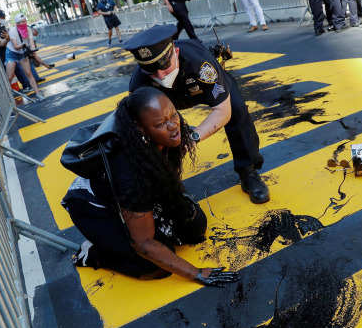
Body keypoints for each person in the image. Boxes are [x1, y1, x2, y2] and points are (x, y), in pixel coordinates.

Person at [63, 87, 239, 286]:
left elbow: (165, 177)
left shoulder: (166, 136)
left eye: (173, 115)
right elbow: (144, 244)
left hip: (128, 195)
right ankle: (94, 253)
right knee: (154, 267)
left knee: (195, 228)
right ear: (140, 128)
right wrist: (195, 273)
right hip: (95, 208)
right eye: (161, 123)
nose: (173, 126)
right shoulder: (131, 174)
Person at [125, 25, 270, 204]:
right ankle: (166, 181)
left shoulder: (202, 63)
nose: (161, 75)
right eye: (152, 71)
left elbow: (222, 112)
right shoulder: (139, 82)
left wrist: (192, 137)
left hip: (201, 88)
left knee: (237, 108)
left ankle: (248, 170)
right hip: (166, 101)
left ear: (175, 52)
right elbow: (137, 127)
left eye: (164, 65)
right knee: (153, 129)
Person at [5, 13, 46, 101]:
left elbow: (31, 41)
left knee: (29, 73)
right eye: (22, 22)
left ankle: (38, 94)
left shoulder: (28, 29)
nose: (24, 23)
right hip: (12, 52)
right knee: (10, 76)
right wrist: (23, 45)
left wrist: (33, 50)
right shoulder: (12, 31)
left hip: (22, 52)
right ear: (17, 23)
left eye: (25, 21)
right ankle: (7, 97)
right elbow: (15, 46)